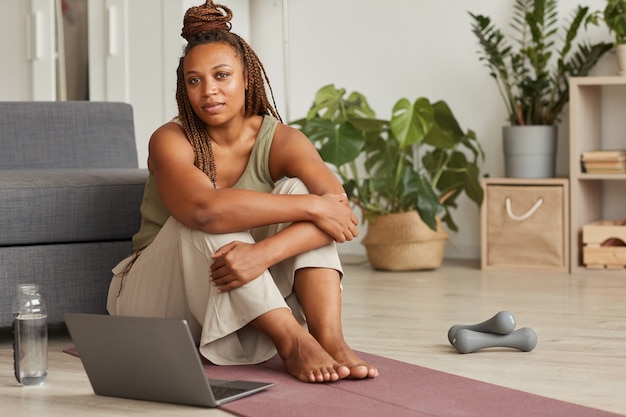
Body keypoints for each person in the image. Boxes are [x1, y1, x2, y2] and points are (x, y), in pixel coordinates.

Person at [106, 0, 378, 383]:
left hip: (234, 286)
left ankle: (329, 338)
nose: (208, 91)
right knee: (206, 217)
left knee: (300, 191)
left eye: (221, 75)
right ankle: (292, 342)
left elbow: (340, 214)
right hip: (155, 300)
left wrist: (262, 253)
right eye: (194, 80)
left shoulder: (281, 139)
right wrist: (313, 208)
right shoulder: (171, 138)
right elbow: (203, 210)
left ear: (247, 77)